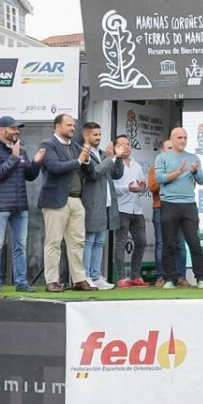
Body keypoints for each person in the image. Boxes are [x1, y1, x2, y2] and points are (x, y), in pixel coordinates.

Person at [0, 116, 44, 293]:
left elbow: (29, 176)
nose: (17, 131)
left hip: (20, 206)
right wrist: (14, 157)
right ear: (2, 130)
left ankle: (21, 283)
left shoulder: (22, 151)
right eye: (13, 128)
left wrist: (37, 162)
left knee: (20, 246)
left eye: (18, 129)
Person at [38, 114, 93, 292]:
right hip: (56, 200)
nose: (72, 128)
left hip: (76, 199)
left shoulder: (76, 146)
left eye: (73, 125)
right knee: (53, 242)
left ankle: (78, 279)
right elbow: (54, 167)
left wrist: (87, 158)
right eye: (68, 125)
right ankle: (52, 281)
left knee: (77, 242)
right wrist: (79, 160)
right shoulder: (48, 145)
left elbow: (89, 171)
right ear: (57, 126)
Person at [155, 127, 203, 289]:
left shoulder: (193, 158)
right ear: (171, 139)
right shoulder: (162, 158)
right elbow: (159, 178)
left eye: (185, 137)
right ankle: (170, 278)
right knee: (169, 243)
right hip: (169, 204)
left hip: (189, 204)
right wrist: (177, 172)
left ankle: (201, 278)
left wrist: (195, 170)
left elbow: (201, 180)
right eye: (179, 138)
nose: (183, 141)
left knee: (194, 242)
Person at [79, 122, 126, 291]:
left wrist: (118, 158)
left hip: (106, 204)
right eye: (95, 135)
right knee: (89, 240)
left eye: (100, 135)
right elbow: (94, 172)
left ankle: (96, 275)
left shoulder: (101, 153)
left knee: (100, 241)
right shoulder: (84, 154)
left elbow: (117, 174)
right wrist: (111, 157)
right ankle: (85, 276)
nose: (98, 138)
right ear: (86, 136)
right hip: (91, 203)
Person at [149, 139, 189, 287]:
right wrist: (170, 178)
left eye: (174, 148)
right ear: (162, 151)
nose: (172, 151)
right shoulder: (155, 168)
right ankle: (161, 276)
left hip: (180, 208)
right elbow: (153, 187)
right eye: (168, 148)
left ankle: (181, 276)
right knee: (161, 243)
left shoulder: (183, 168)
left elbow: (189, 186)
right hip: (160, 208)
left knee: (180, 243)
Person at [113, 134, 148, 287]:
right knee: (120, 242)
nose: (126, 147)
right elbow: (111, 188)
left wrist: (142, 186)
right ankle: (121, 277)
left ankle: (135, 275)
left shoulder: (136, 165)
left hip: (136, 209)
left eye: (128, 144)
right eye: (122, 144)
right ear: (116, 148)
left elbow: (142, 187)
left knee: (141, 242)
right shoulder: (113, 164)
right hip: (121, 208)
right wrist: (127, 188)